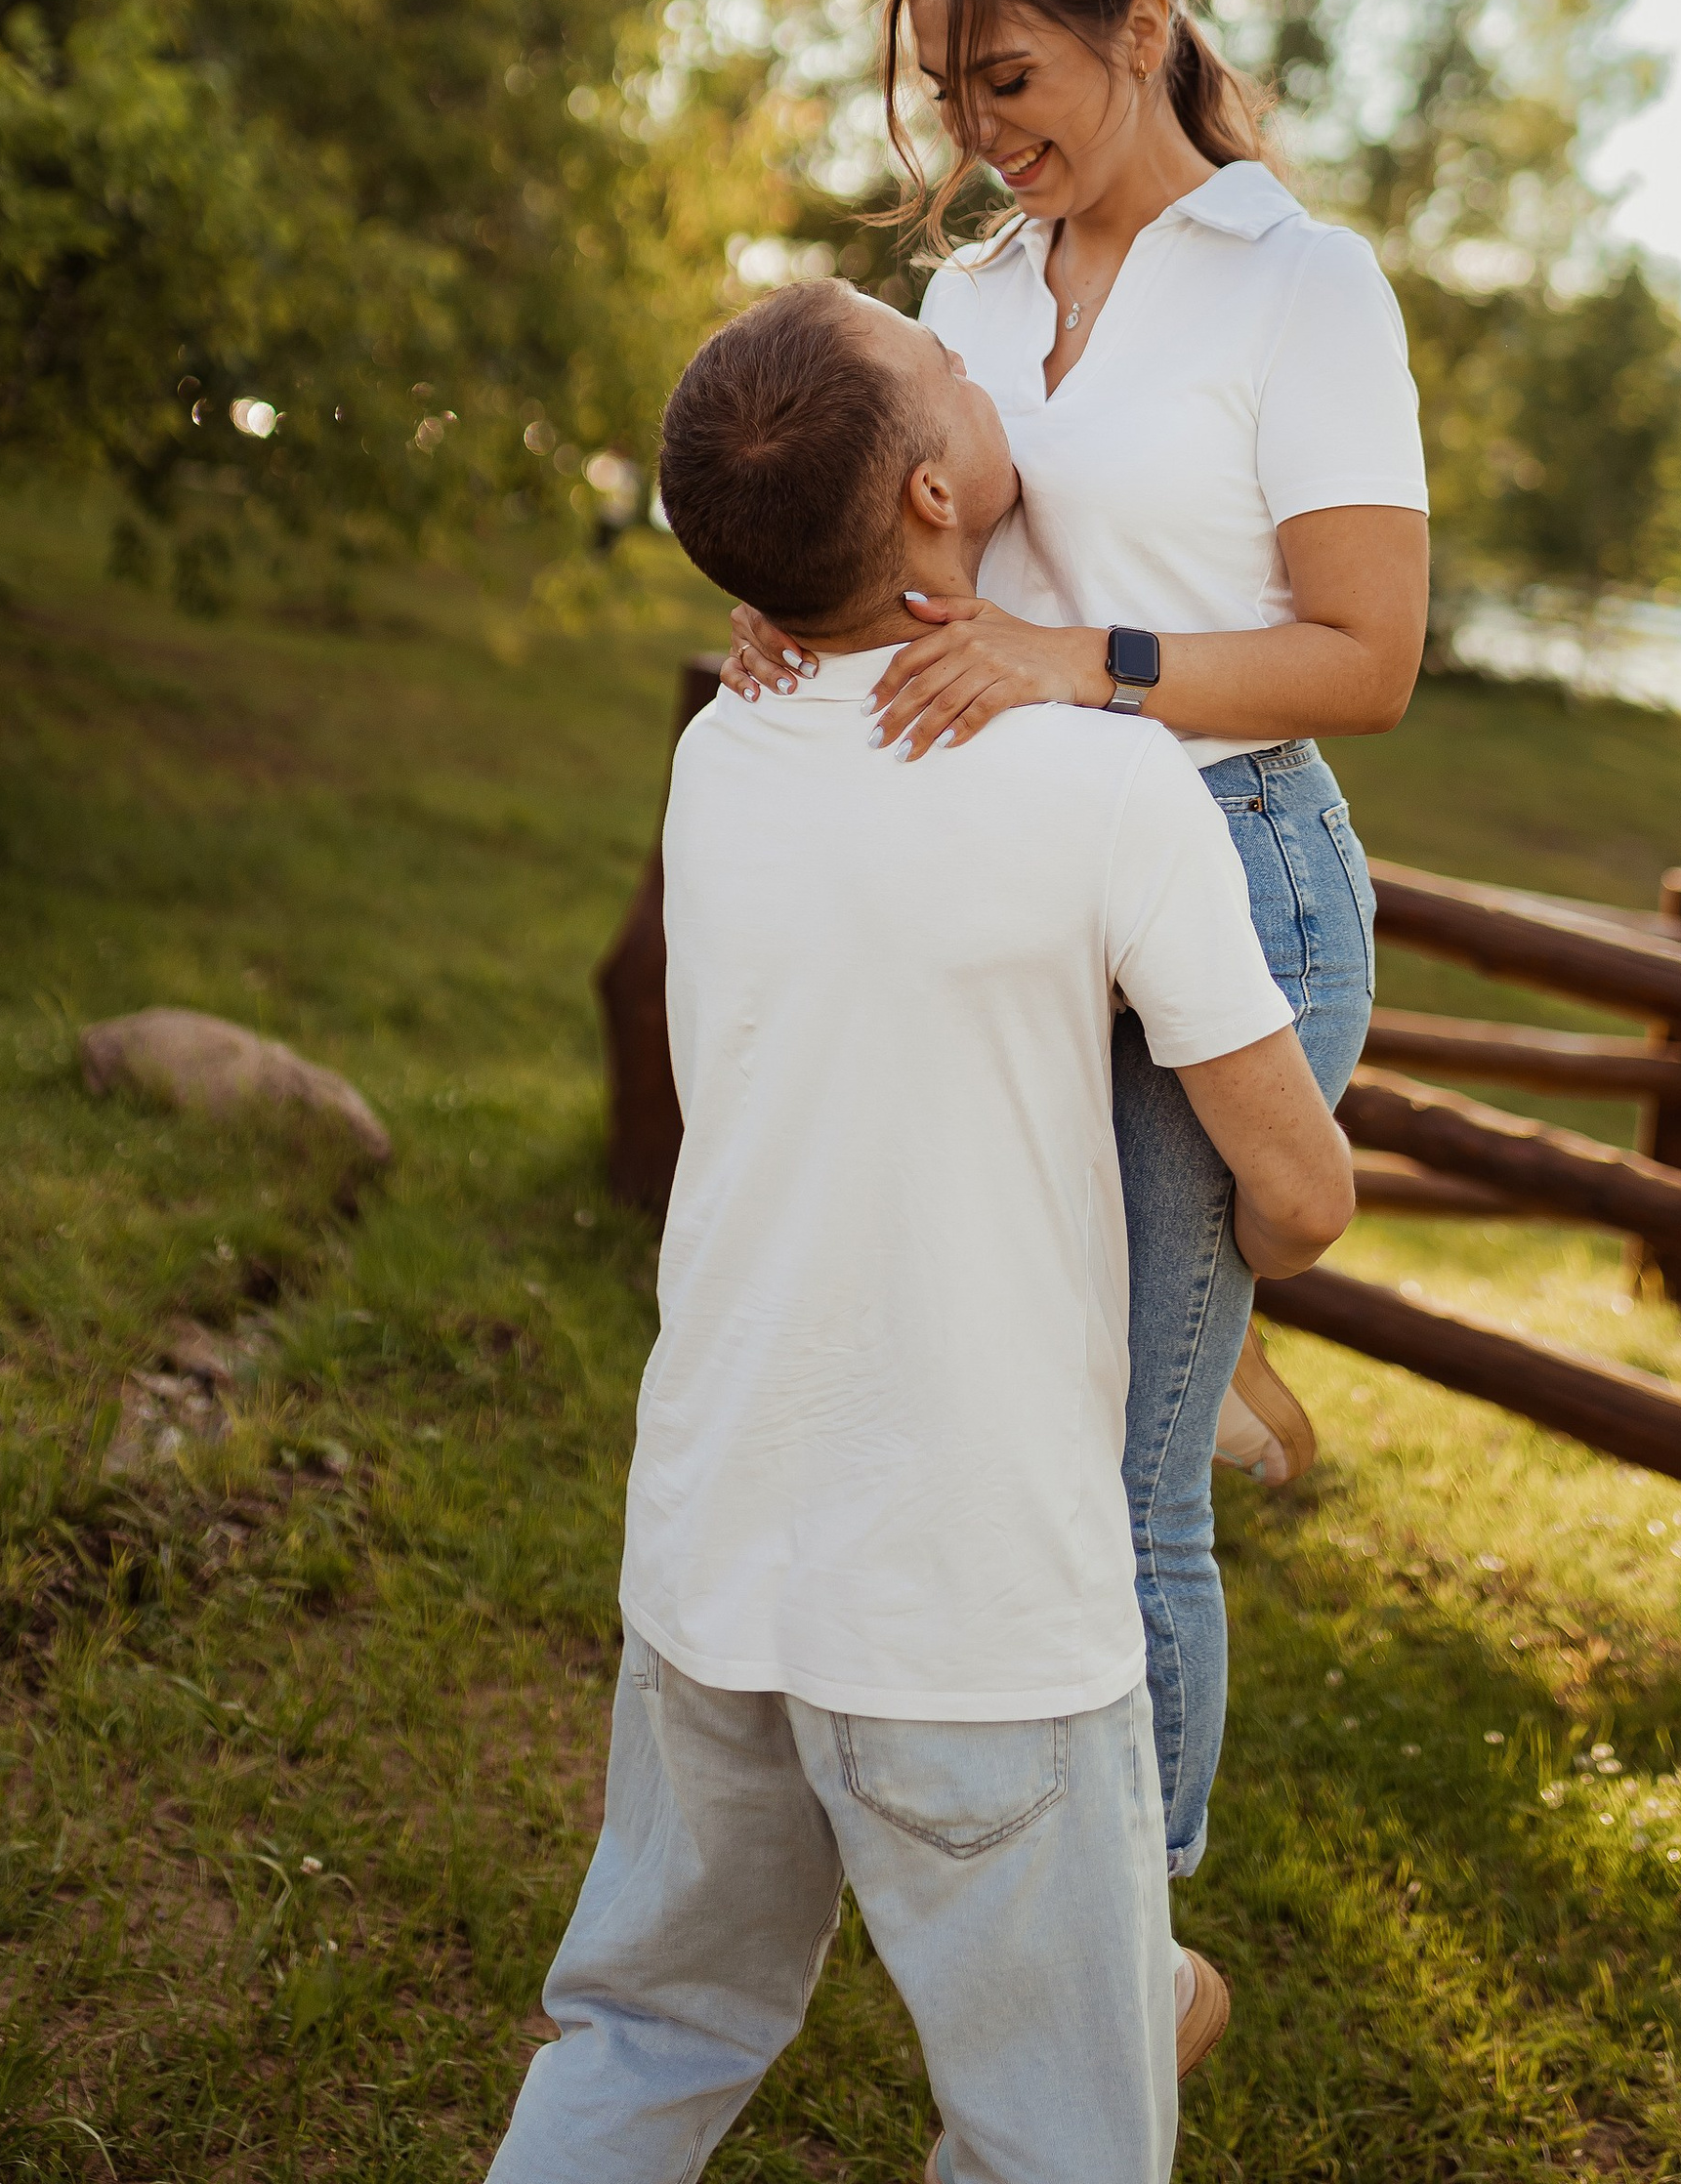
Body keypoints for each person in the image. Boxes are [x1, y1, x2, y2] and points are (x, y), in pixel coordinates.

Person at [489, 277, 1355, 2184]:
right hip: (969, 1622)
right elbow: (1295, 1196)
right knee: (1061, 2147)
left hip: (713, 1552)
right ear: (930, 505)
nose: (980, 369)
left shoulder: (724, 742)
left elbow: (824, 616)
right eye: (946, 368)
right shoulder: (1108, 787)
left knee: (638, 2036)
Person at [725, 0, 1429, 1888]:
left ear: (1140, 29)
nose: (971, 130)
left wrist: (1078, 662)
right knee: (1002, 1425)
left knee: (1122, 1479)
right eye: (944, 93)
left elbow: (1364, 661)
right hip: (1017, 902)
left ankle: (1128, 1943)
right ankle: (1190, 1354)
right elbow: (912, 525)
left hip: (1233, 885)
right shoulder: (968, 286)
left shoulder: (1299, 287)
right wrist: (811, 592)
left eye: (1002, 79)